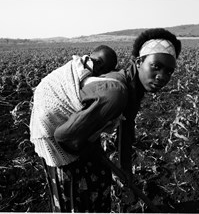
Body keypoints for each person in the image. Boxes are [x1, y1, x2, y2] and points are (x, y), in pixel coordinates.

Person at [32, 28, 181, 212]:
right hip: (58, 136)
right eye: (156, 66)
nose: (162, 77)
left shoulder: (133, 90)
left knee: (100, 182)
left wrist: (126, 170)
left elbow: (126, 131)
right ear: (138, 62)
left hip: (80, 134)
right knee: (74, 201)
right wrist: (91, 150)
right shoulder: (116, 92)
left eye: (169, 71)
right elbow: (63, 136)